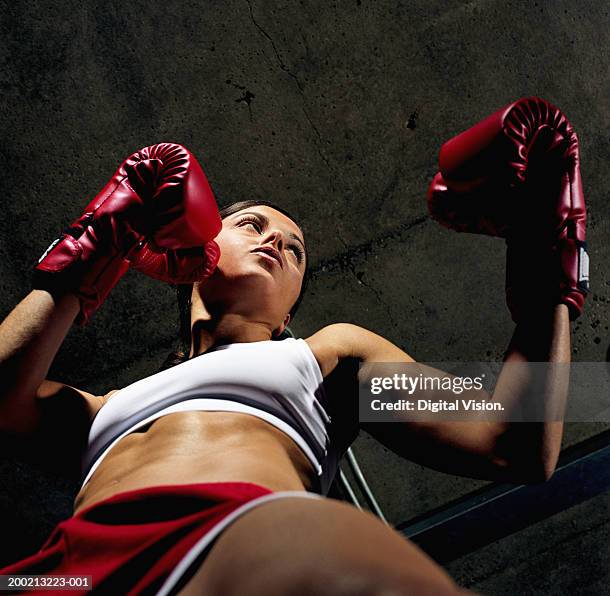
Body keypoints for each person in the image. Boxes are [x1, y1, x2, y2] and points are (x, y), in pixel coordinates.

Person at [0, 97, 587, 595]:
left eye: (296, 249)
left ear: (288, 311)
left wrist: (548, 253)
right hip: (66, 574)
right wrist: (102, 236)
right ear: (194, 250)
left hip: (240, 536)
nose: (277, 239)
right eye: (252, 225)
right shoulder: (107, 405)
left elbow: (512, 440)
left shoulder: (325, 356)